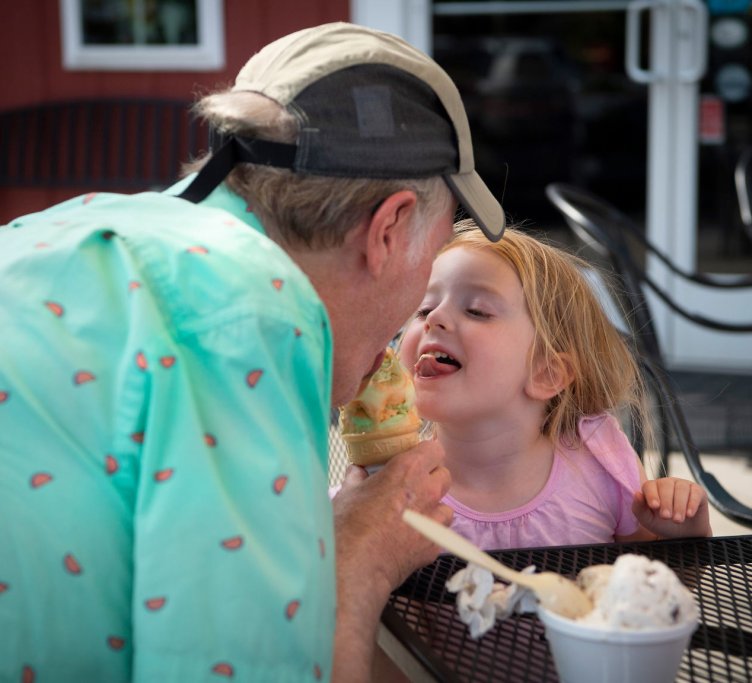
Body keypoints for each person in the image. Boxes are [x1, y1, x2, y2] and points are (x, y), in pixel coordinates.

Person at [0, 23, 506, 682]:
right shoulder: (248, 315)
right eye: (434, 254)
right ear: (387, 229)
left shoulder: (76, 224)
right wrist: (361, 556)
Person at [399, 220, 712, 550]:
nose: (434, 318)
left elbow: (648, 588)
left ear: (545, 373)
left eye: (477, 311)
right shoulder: (392, 482)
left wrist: (683, 537)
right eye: (423, 308)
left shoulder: (600, 463)